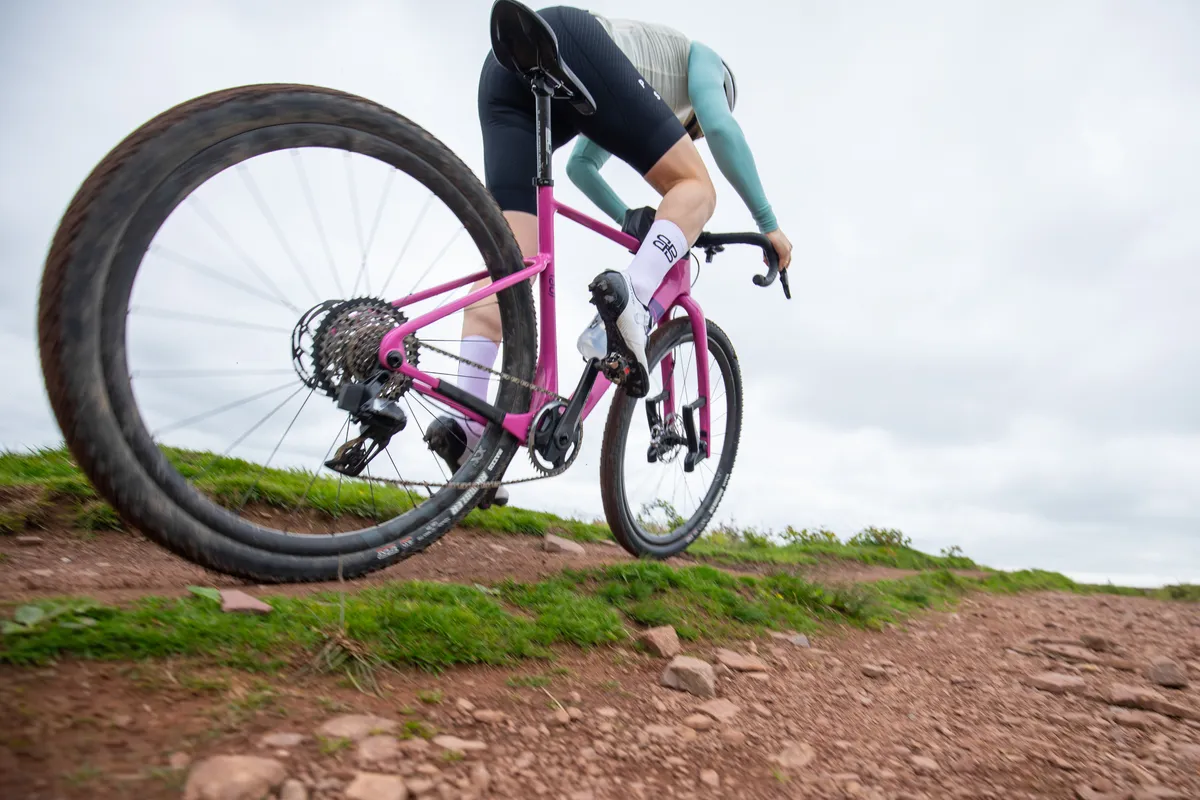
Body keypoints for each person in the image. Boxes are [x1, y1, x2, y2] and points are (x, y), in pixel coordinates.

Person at [424, 4, 792, 507]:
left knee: (511, 269)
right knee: (696, 187)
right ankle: (631, 304)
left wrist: (630, 218)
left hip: (504, 77)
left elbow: (582, 167)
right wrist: (769, 225)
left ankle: (466, 425)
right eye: (696, 129)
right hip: (573, 41)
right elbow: (723, 131)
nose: (695, 133)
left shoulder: (632, 74)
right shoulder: (705, 62)